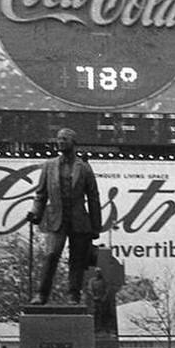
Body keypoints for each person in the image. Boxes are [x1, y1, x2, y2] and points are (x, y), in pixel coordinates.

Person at [26, 127, 102, 305]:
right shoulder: (49, 166)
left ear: (73, 143)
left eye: (64, 139)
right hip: (56, 220)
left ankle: (73, 295)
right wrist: (35, 212)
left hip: (79, 221)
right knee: (51, 255)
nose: (60, 142)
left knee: (77, 260)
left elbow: (93, 198)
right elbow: (41, 194)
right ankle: (41, 294)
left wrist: (96, 226)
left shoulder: (84, 168)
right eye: (59, 139)